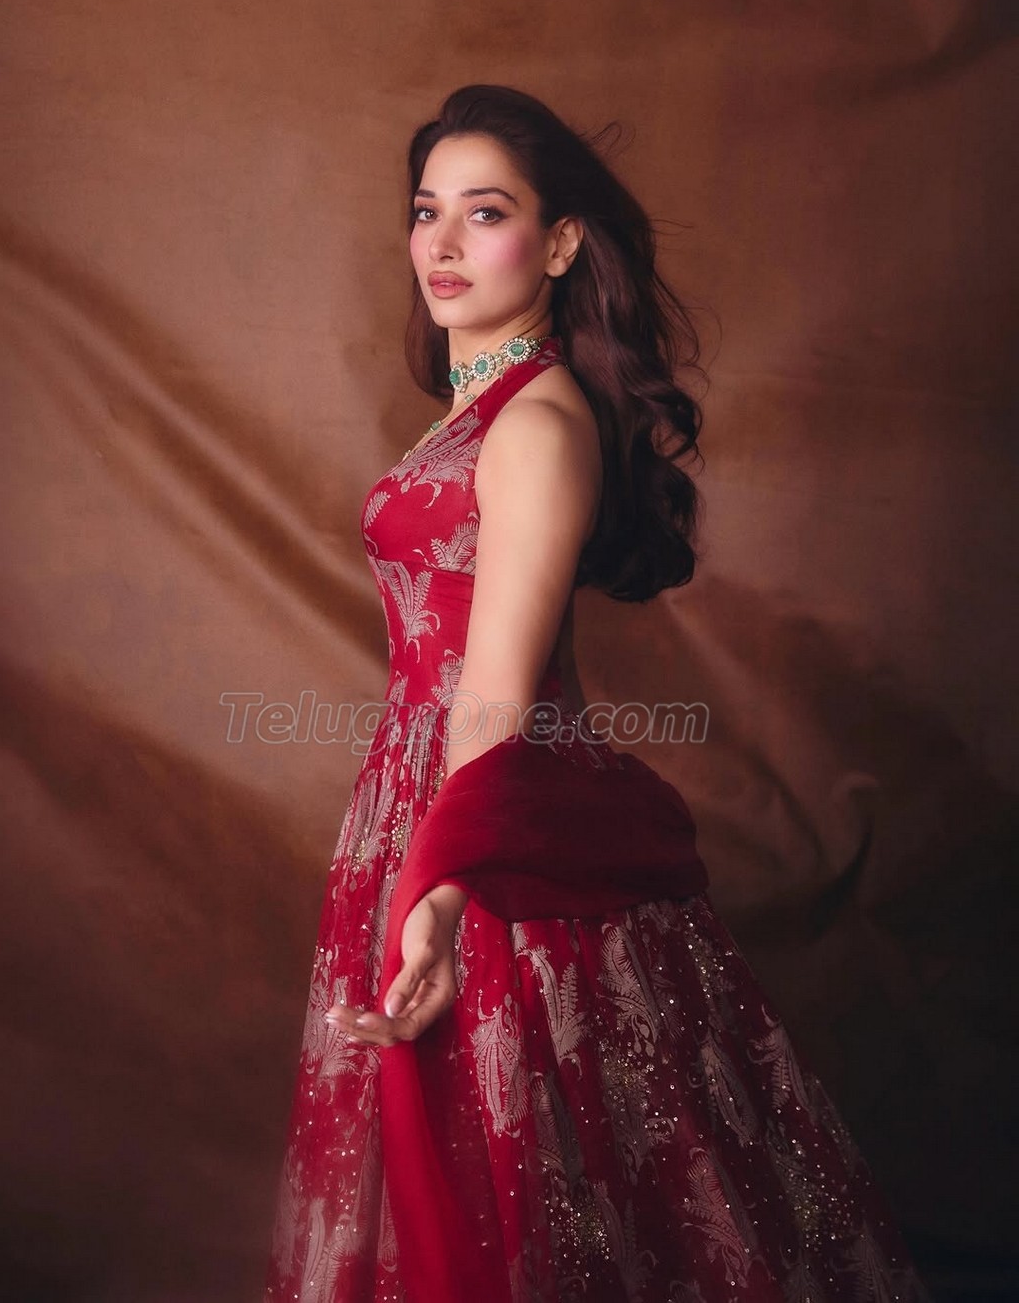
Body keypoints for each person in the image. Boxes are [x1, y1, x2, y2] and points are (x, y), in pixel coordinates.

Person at [263, 85, 930, 1303]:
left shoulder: (534, 426)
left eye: (485, 213)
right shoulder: (477, 412)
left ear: (561, 242)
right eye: (425, 211)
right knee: (502, 1145)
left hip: (488, 810)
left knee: (535, 1152)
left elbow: (494, 697)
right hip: (423, 793)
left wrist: (441, 892)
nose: (442, 244)